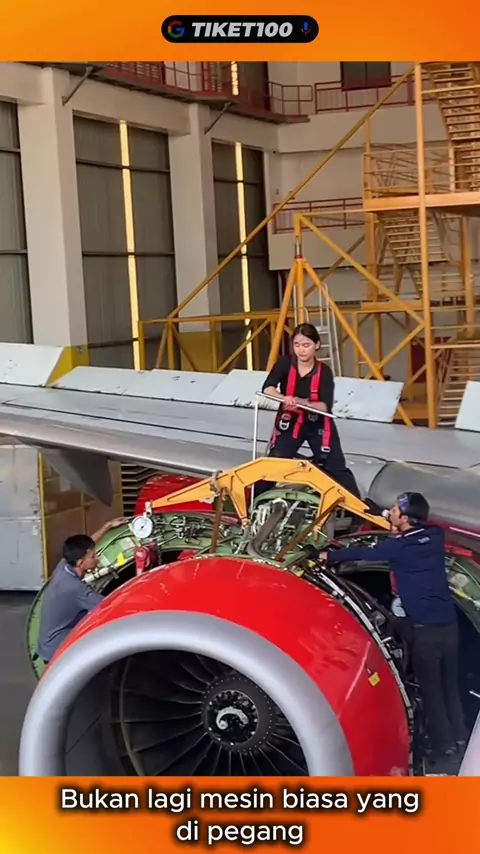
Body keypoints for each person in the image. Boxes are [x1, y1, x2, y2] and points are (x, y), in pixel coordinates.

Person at [319, 491, 467, 759]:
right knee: (449, 686)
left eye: (396, 509)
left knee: (431, 691)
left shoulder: (399, 548)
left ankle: (444, 746)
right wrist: (389, 518)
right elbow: (410, 531)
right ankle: (460, 737)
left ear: (406, 518)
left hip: (425, 632)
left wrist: (327, 557)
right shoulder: (434, 536)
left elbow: (364, 552)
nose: (391, 511)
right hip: (449, 626)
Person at [255, 323, 360, 498]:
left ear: (316, 345)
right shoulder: (284, 364)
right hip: (291, 423)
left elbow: (325, 406)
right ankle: (252, 503)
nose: (301, 350)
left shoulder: (324, 372)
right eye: (297, 345)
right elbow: (268, 388)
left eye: (306, 345)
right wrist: (284, 398)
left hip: (317, 424)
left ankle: (357, 507)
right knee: (275, 463)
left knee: (335, 467)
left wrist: (301, 402)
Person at [37, 517, 126, 666]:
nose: (97, 558)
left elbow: (86, 546)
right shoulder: (76, 589)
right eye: (93, 557)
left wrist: (108, 526)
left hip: (47, 642)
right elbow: (110, 607)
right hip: (56, 649)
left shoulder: (64, 566)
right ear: (80, 563)